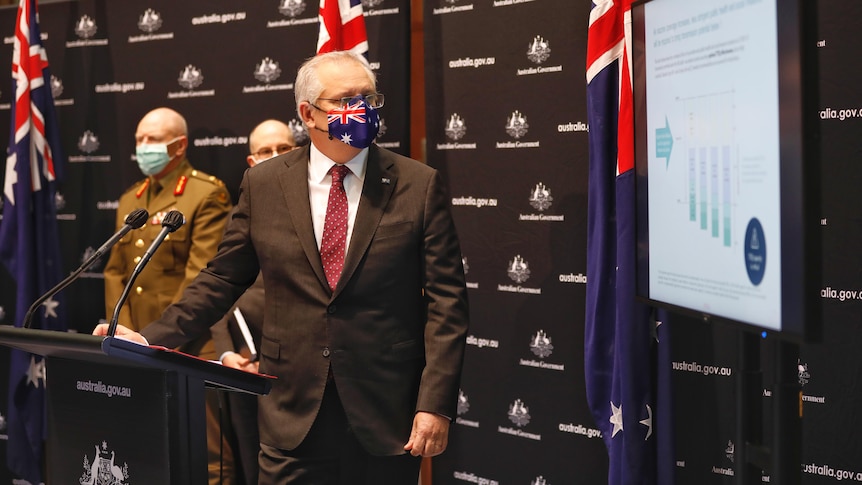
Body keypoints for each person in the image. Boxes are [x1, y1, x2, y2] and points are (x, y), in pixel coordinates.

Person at [96, 51, 470, 485]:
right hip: (292, 413)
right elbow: (221, 278)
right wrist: (150, 337)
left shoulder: (417, 184)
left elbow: (447, 303)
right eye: (347, 99)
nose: (362, 109)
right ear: (307, 114)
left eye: (368, 98)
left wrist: (434, 404)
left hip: (386, 416)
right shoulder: (264, 183)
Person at [101, 106, 236, 485]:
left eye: (152, 140)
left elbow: (202, 276)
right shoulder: (133, 198)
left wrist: (160, 336)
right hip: (136, 344)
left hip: (189, 345)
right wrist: (125, 334)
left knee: (208, 458)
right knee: (144, 448)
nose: (143, 148)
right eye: (139, 140)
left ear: (179, 146)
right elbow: (116, 273)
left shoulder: (205, 193)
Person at [210, 119, 296, 485]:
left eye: (283, 149)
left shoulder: (323, 208)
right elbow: (218, 287)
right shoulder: (238, 215)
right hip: (243, 367)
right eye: (265, 151)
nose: (274, 157)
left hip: (298, 370)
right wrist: (227, 353)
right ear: (251, 161)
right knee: (250, 464)